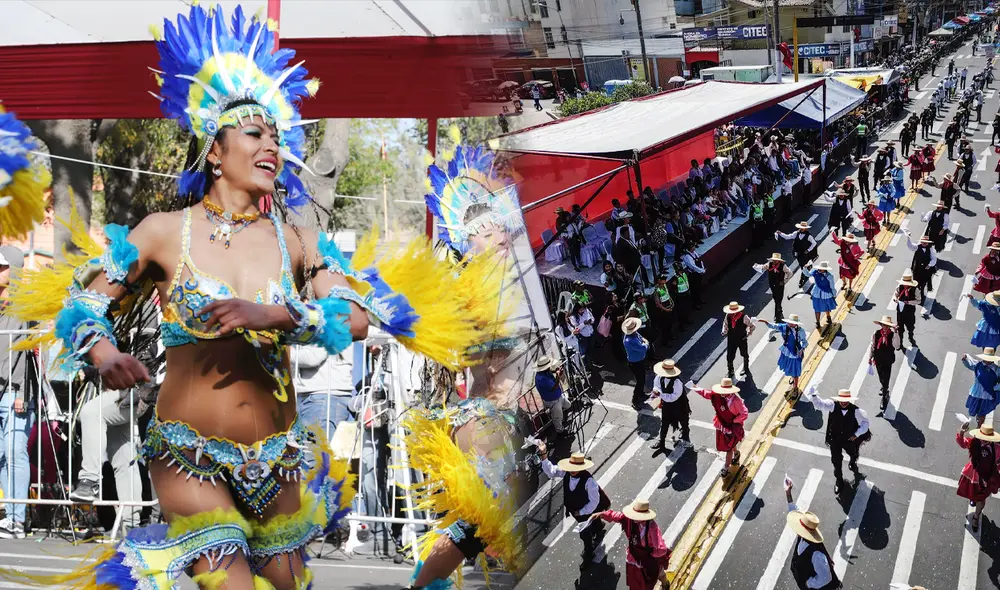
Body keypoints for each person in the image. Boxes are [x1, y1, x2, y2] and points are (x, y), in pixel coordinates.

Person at [5, 7, 505, 589]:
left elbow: (356, 316)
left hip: (278, 461)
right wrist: (105, 356)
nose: (272, 144)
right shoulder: (166, 231)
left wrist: (272, 312)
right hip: (186, 457)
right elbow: (85, 305)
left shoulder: (300, 239)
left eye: (276, 135)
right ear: (214, 152)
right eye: (255, 133)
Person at [537, 444, 610, 570]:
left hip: (586, 512)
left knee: (584, 534)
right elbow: (551, 471)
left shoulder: (589, 482)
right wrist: (544, 454)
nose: (572, 471)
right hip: (575, 509)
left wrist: (580, 512)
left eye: (575, 468)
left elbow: (594, 502)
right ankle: (598, 526)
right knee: (592, 524)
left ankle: (588, 553)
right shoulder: (566, 473)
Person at [0, 246, 31, 539]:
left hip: (17, 390)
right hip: (2, 389)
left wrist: (23, 391)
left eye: (1, 267)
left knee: (14, 452)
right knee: (2, 454)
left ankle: (16, 519)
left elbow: (33, 353)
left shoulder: (26, 303)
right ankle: (10, 516)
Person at [589, 499, 671, 589]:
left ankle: (665, 583)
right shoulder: (629, 519)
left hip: (648, 559)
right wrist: (601, 514)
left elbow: (661, 549)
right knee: (637, 580)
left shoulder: (652, 527)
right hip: (634, 556)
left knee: (659, 574)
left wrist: (652, 555)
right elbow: (616, 516)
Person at [803, 385, 871, 494]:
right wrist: (814, 395)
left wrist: (856, 434)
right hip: (835, 439)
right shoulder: (832, 405)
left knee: (853, 452)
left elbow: (865, 423)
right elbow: (819, 404)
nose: (843, 403)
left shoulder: (856, 411)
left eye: (846, 401)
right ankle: (839, 480)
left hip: (848, 439)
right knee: (836, 461)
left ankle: (853, 460)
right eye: (841, 400)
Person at [784, 478, 842, 589]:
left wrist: (809, 583)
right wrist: (788, 493)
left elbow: (826, 578)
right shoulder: (805, 536)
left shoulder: (817, 555)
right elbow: (793, 510)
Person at [291, 344, 355, 441]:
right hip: (320, 397)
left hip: (323, 398)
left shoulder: (326, 328)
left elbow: (313, 357)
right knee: (312, 451)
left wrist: (285, 352)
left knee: (315, 453)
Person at [692, 378, 748, 476]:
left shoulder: (736, 401)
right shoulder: (716, 395)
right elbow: (707, 394)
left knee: (728, 448)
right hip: (722, 424)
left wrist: (734, 421)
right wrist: (695, 388)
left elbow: (744, 413)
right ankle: (737, 453)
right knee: (730, 444)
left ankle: (726, 466)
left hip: (731, 427)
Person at [956, 419, 1000, 533]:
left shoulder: (996, 448)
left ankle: (976, 516)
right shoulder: (973, 442)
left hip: (986, 477)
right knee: (971, 492)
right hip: (973, 474)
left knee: (981, 498)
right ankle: (973, 499)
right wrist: (961, 432)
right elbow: (962, 443)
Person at [648, 360, 692, 451]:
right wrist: (656, 391)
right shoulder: (659, 377)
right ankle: (661, 442)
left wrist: (660, 395)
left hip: (679, 405)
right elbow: (656, 386)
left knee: (683, 421)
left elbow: (673, 397)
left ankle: (685, 436)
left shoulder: (677, 382)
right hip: (667, 404)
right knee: (664, 422)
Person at [759, 314, 808, 394]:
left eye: (792, 323)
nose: (790, 324)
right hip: (786, 351)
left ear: (796, 324)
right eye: (790, 322)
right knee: (789, 367)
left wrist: (802, 349)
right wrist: (765, 322)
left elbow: (805, 342)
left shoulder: (800, 331)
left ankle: (795, 388)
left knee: (795, 371)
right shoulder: (784, 327)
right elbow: (773, 326)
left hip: (795, 353)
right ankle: (792, 377)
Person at [870, 316, 902, 413]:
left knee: (886, 378)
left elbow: (897, 346)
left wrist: (896, 333)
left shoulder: (893, 335)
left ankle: (885, 395)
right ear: (881, 325)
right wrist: (870, 357)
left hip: (888, 360)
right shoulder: (876, 334)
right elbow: (873, 345)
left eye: (887, 326)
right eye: (884, 325)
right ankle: (884, 387)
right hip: (878, 359)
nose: (885, 327)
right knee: (881, 376)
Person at [961, 348, 1000, 428]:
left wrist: (994, 388)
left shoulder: (997, 370)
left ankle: (979, 426)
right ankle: (979, 423)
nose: (988, 361)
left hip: (987, 396)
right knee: (975, 411)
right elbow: (970, 365)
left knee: (982, 413)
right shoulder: (978, 365)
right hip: (976, 393)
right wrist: (965, 360)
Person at [535, 356, 572, 437]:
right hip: (552, 400)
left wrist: (557, 371)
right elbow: (554, 387)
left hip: (559, 396)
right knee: (557, 418)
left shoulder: (545, 372)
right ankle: (560, 431)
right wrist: (558, 376)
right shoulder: (541, 379)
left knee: (568, 405)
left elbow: (552, 373)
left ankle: (558, 416)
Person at [776, 221, 818, 291]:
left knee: (803, 266)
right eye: (801, 228)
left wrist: (808, 250)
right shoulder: (796, 233)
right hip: (798, 254)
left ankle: (801, 280)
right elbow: (788, 237)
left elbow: (814, 243)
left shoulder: (809, 236)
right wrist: (780, 233)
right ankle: (805, 275)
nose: (801, 229)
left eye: (803, 228)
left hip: (805, 254)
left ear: (805, 229)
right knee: (803, 266)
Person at [752, 253, 793, 321]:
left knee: (778, 299)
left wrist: (785, 281)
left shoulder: (783, 266)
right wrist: (757, 266)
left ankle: (777, 316)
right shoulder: (769, 264)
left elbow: (790, 273)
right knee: (775, 298)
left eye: (776, 260)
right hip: (772, 285)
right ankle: (779, 313)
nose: (774, 261)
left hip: (780, 285)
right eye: (773, 260)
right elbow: (763, 267)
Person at [722, 301, 755, 380]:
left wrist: (748, 333)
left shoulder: (744, 317)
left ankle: (746, 368)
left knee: (744, 354)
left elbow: (752, 326)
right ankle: (731, 370)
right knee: (730, 355)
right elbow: (725, 325)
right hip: (731, 339)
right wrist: (724, 332)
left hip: (741, 339)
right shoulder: (728, 316)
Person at [803, 261, 837, 333]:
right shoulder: (815, 272)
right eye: (819, 268)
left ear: (825, 269)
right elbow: (807, 274)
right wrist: (805, 268)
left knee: (826, 307)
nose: (820, 270)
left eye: (821, 269)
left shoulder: (829, 276)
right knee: (817, 309)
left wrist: (834, 294)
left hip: (826, 294)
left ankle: (828, 317)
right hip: (816, 293)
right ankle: (817, 322)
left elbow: (832, 286)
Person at [623, 318, 650, 409]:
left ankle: (641, 394)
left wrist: (644, 341)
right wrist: (646, 343)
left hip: (640, 360)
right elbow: (643, 348)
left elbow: (641, 338)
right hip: (635, 363)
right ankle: (635, 400)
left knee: (642, 378)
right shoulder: (630, 341)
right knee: (640, 381)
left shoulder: (634, 334)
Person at [905, 232, 938, 304]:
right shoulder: (917, 247)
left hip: (926, 270)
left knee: (923, 284)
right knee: (916, 283)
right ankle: (916, 295)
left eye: (926, 243)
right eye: (923, 242)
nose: (925, 244)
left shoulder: (931, 249)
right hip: (917, 269)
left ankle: (921, 295)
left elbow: (934, 259)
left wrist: (929, 265)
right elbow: (910, 246)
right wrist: (908, 238)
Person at [893, 270, 920, 348]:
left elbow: (918, 301)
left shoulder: (915, 290)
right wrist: (895, 299)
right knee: (900, 329)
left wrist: (909, 302)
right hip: (900, 312)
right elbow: (895, 294)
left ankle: (910, 336)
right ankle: (900, 344)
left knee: (910, 327)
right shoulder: (899, 287)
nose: (905, 285)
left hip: (909, 312)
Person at [650, 274, 676, 345]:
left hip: (669, 307)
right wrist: (665, 310)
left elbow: (667, 295)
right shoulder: (656, 290)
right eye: (663, 279)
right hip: (663, 311)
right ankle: (665, 341)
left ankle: (670, 335)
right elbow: (658, 304)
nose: (665, 280)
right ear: (659, 280)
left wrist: (672, 303)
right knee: (665, 326)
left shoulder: (664, 286)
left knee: (670, 323)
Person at [680, 243, 706, 309]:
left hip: (698, 273)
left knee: (699, 288)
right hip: (693, 275)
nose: (694, 248)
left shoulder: (694, 253)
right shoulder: (687, 257)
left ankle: (699, 300)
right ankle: (695, 304)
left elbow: (700, 261)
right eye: (692, 247)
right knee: (694, 290)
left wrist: (702, 268)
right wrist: (701, 271)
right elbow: (693, 266)